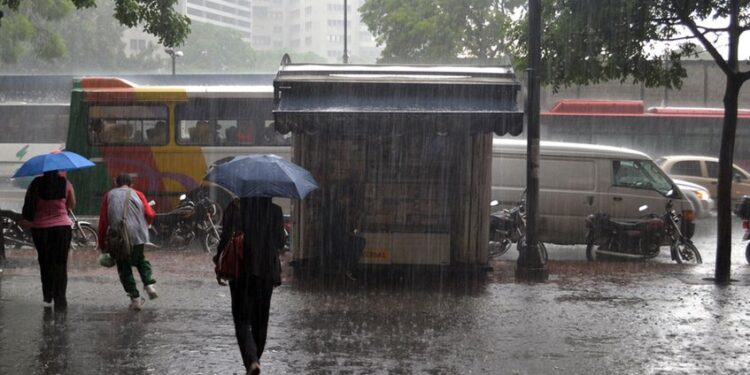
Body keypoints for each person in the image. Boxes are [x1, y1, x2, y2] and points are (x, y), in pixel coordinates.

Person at [215, 197, 284, 375]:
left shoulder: (235, 207)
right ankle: (254, 362)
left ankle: (251, 361)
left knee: (242, 320)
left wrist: (218, 262)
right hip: (266, 272)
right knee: (261, 322)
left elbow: (225, 238)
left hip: (241, 270)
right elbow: (281, 242)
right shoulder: (275, 211)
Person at [97, 174, 158, 311]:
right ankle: (149, 284)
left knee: (124, 267)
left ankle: (135, 299)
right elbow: (150, 214)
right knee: (140, 260)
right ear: (131, 183)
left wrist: (102, 243)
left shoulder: (109, 195)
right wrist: (143, 223)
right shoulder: (138, 194)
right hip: (137, 235)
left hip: (119, 237)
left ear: (115, 182)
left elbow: (103, 221)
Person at [22, 170, 76, 310]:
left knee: (45, 261)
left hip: (41, 229)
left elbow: (28, 205)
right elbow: (72, 204)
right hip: (62, 228)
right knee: (60, 263)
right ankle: (60, 299)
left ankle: (48, 294)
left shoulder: (35, 184)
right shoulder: (66, 184)